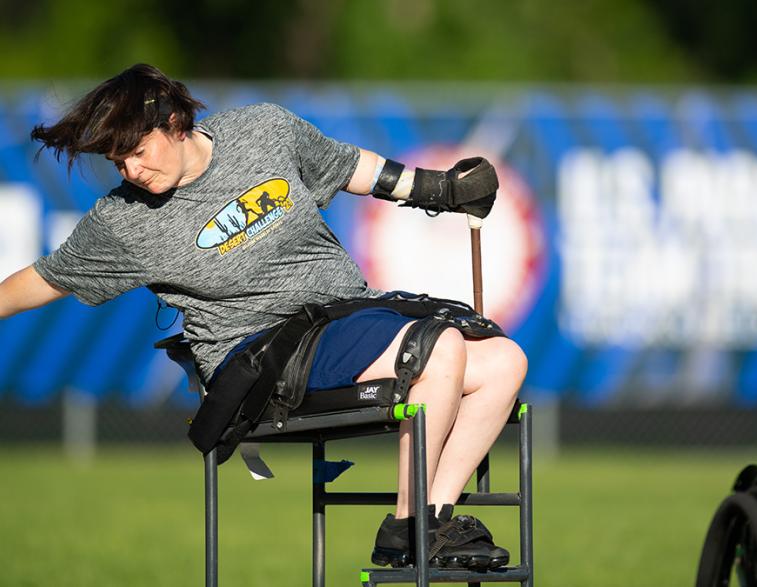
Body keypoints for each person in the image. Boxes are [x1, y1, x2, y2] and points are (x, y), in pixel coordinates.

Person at [1, 64, 528, 570]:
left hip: (342, 316)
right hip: (260, 356)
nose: (131, 172)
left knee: (505, 362)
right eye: (119, 163)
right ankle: (411, 526)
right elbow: (44, 279)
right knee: (436, 348)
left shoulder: (264, 129)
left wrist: (437, 188)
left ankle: (431, 518)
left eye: (138, 152)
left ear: (175, 123)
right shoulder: (123, 220)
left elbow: (350, 167)